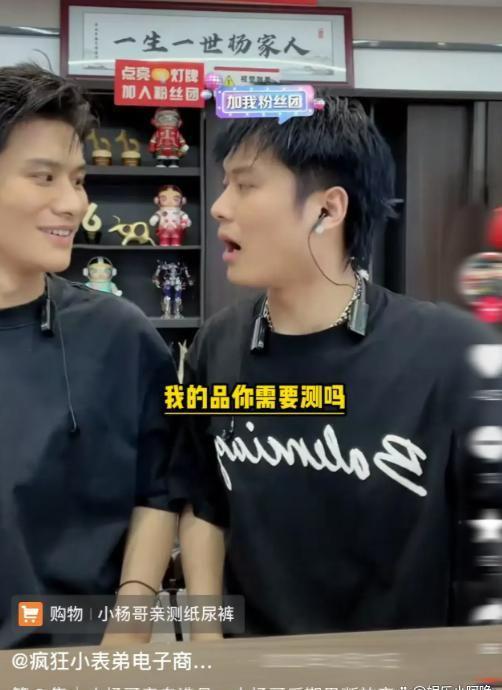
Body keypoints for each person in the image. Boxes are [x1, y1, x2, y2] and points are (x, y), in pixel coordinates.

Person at [172, 96, 502, 636]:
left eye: (246, 185)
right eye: (225, 184)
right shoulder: (218, 344)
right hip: (255, 665)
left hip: (408, 666)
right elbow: (204, 504)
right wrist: (208, 641)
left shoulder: (448, 350)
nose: (219, 207)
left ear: (328, 209)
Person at [0, 64, 179, 649]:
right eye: (44, 177)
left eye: (77, 180)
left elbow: (158, 490)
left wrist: (130, 624)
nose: (72, 203)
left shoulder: (119, 336)